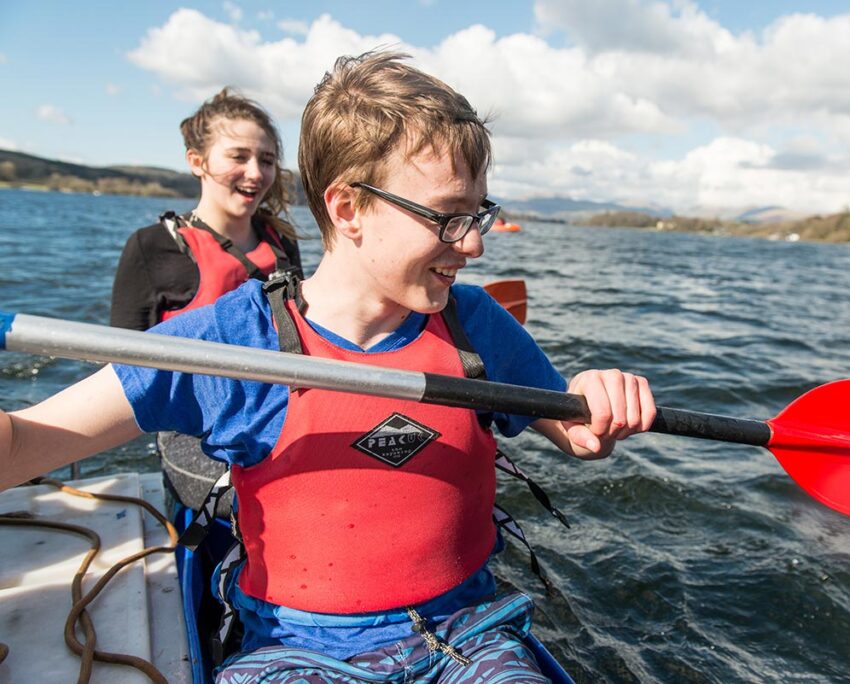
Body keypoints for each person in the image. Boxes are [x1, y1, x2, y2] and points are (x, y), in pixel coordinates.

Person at [1, 51, 656, 682]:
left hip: (470, 639)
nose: (476, 244)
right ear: (348, 209)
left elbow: (579, 435)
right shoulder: (228, 343)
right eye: (450, 218)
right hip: (298, 652)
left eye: (478, 213)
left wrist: (595, 397)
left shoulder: (475, 324)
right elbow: (27, 444)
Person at [109, 88, 304, 515]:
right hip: (193, 430)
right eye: (239, 156)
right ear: (197, 162)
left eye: (267, 160)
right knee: (265, 506)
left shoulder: (283, 243)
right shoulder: (153, 247)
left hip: (279, 414)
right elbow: (119, 368)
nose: (255, 172)